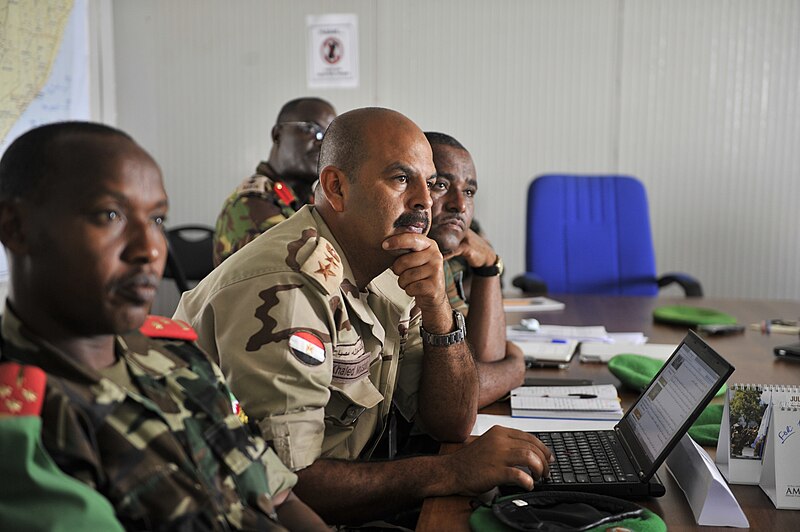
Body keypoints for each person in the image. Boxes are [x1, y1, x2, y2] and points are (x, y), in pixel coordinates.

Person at [174, 108, 552, 525]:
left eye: (429, 182)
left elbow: (450, 423)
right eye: (401, 179)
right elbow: (288, 486)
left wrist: (438, 310)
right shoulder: (287, 288)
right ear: (336, 187)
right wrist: (452, 472)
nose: (425, 200)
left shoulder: (391, 264)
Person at [0, 122, 327, 531]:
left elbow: (282, 499)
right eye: (109, 215)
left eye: (156, 219)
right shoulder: (22, 426)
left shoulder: (174, 354)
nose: (150, 249)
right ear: (15, 227)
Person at [426, 132, 525, 407]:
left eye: (469, 192)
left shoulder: (440, 257)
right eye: (441, 185)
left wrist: (488, 267)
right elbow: (457, 397)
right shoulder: (400, 263)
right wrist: (515, 367)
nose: (459, 205)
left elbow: (483, 358)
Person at [214, 97, 337, 266]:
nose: (321, 142)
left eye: (329, 136)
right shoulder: (251, 202)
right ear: (277, 134)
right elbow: (306, 266)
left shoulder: (305, 199)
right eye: (311, 129)